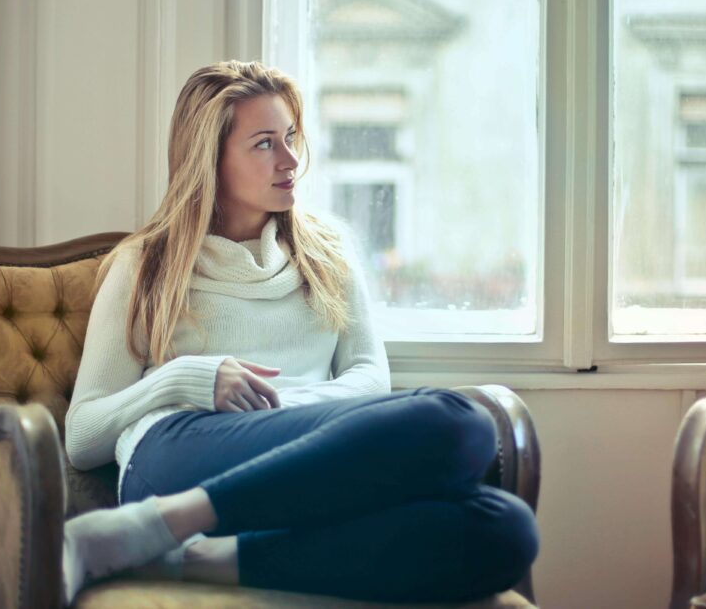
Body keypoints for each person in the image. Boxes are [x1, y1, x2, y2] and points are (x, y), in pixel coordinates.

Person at [62, 60, 539, 604]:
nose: (290, 160)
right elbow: (82, 436)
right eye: (264, 143)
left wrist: (288, 406)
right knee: (458, 422)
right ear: (208, 160)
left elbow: (368, 377)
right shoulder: (146, 265)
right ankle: (158, 520)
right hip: (177, 453)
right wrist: (185, 378)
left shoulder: (327, 250)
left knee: (505, 528)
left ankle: (192, 555)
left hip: (306, 454)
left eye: (290, 137)